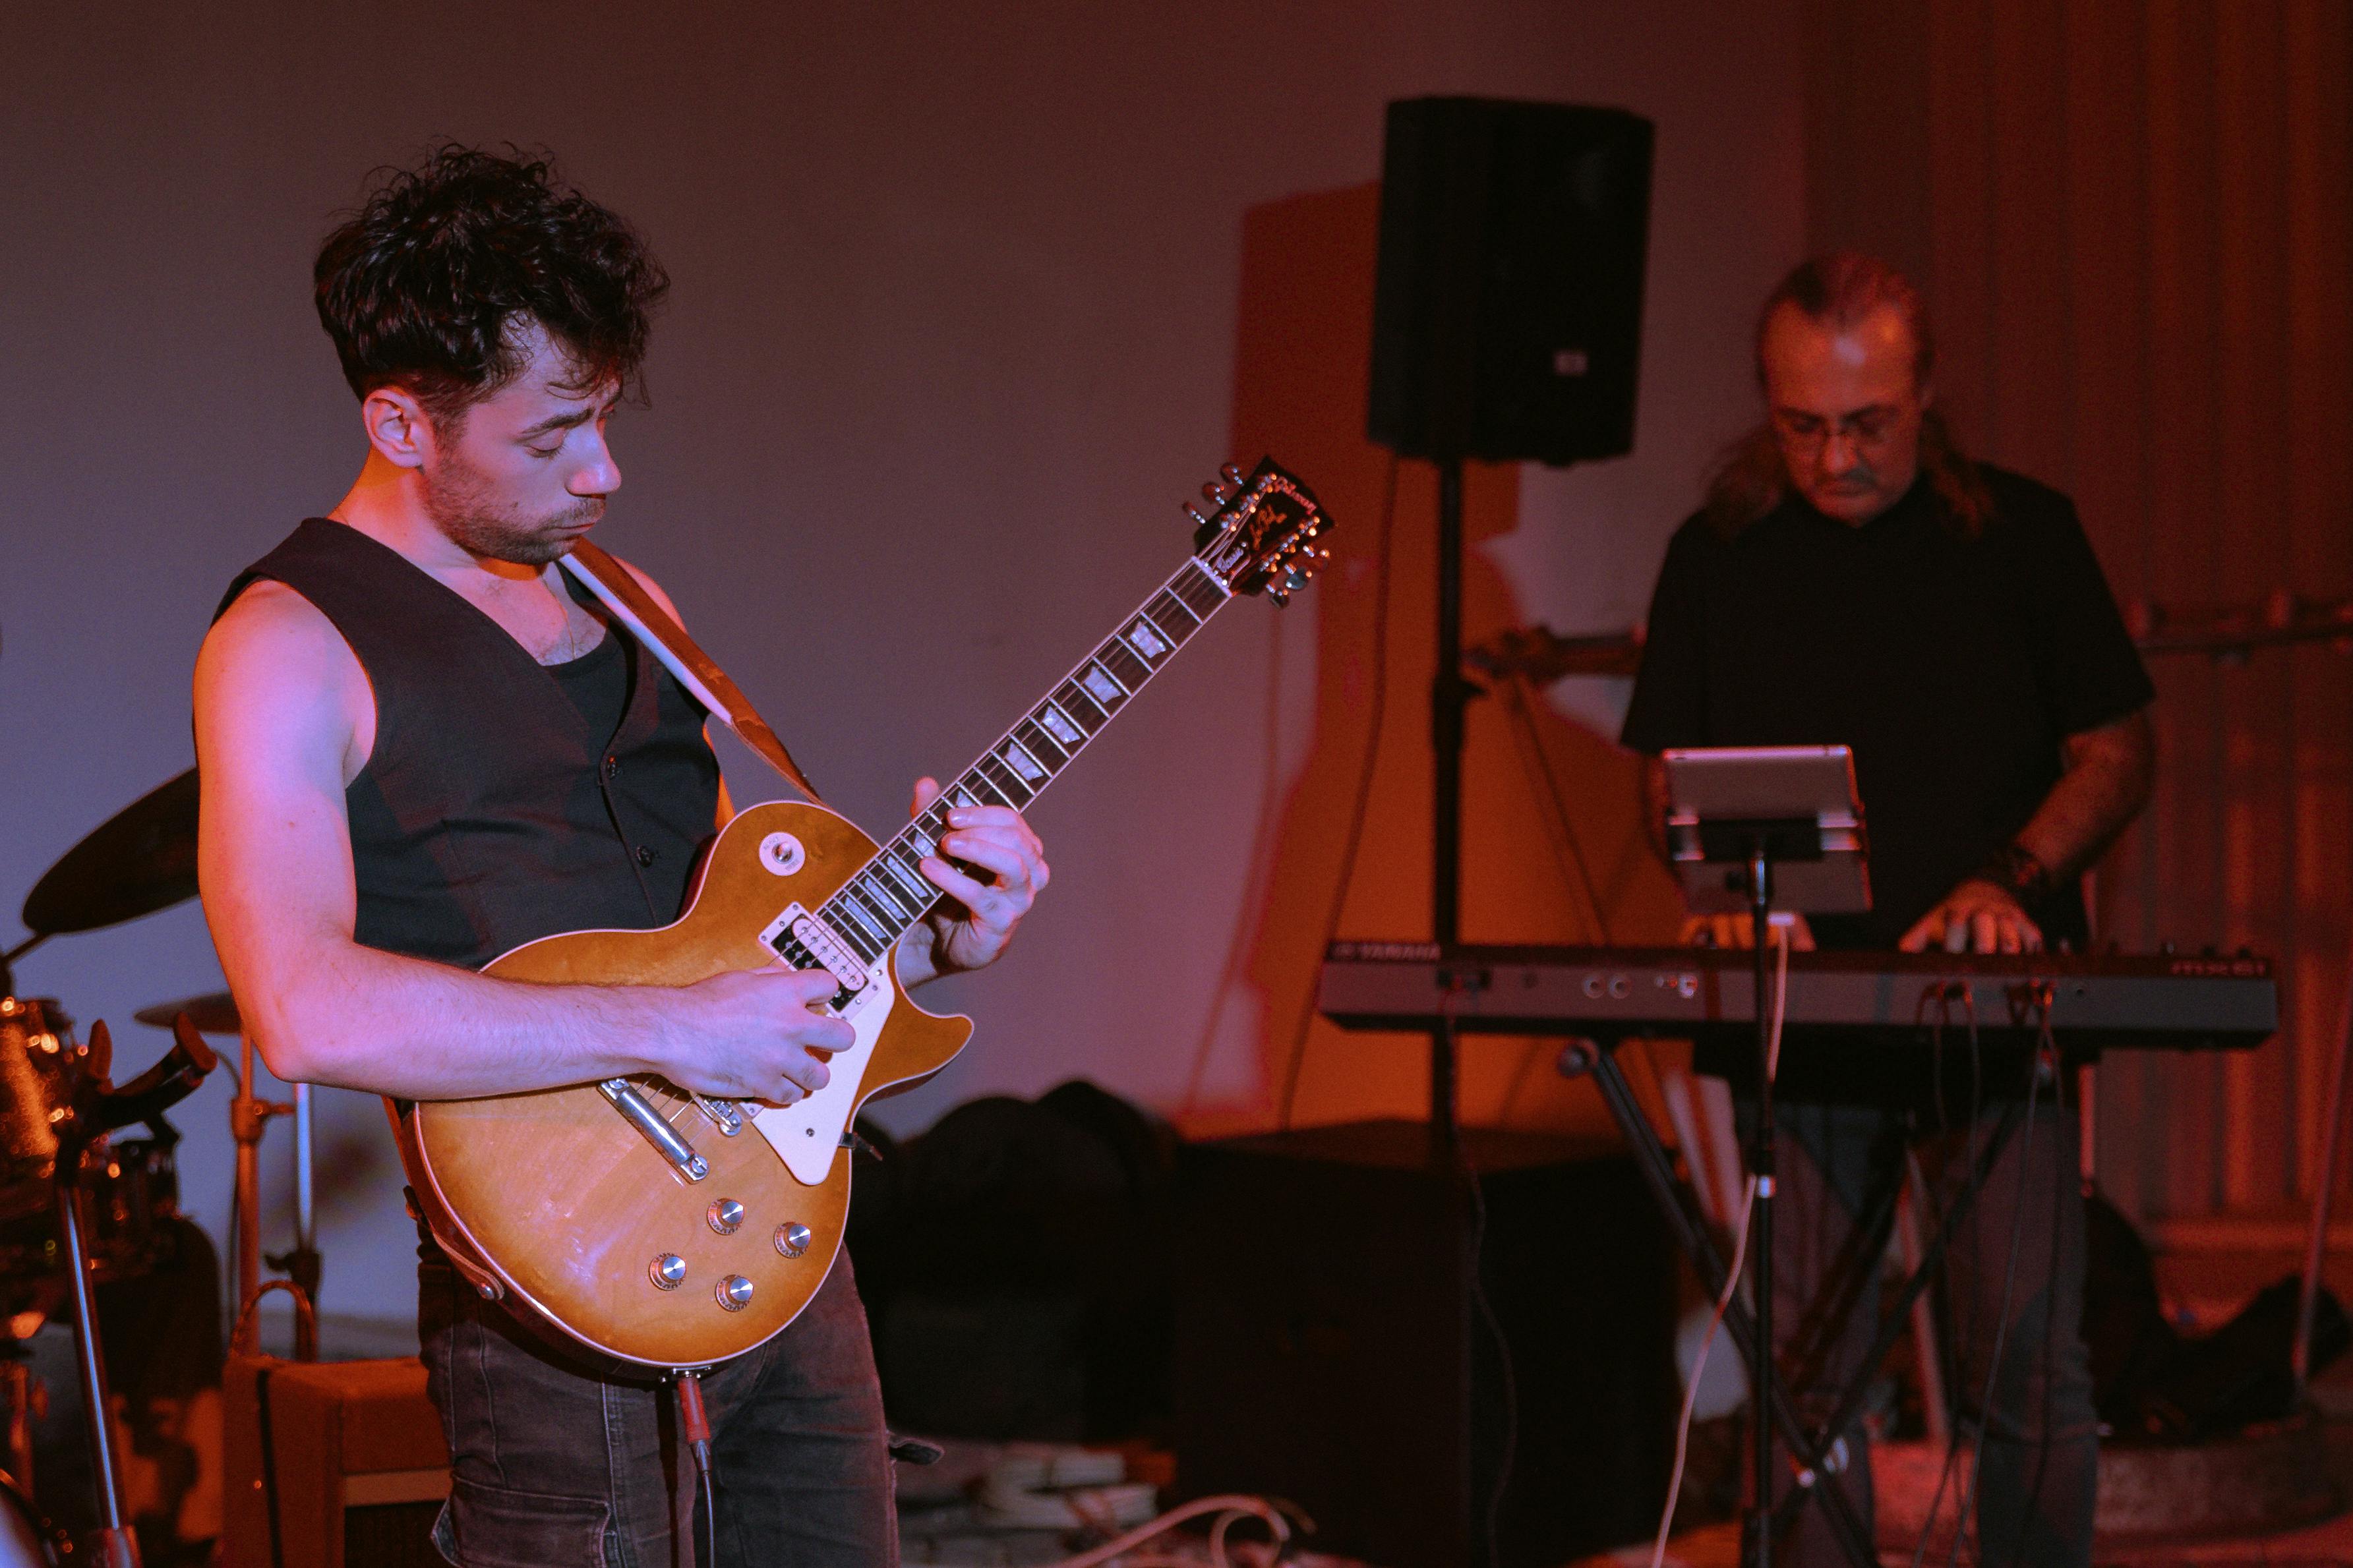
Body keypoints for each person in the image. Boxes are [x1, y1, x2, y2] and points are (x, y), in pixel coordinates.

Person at [193, 145, 1050, 1567]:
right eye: (551, 436)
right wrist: (678, 1028)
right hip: (554, 1278)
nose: (604, 469)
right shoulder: (287, 643)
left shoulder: (630, 598)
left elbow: (739, 946)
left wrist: (941, 938)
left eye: (602, 418)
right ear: (403, 422)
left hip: (784, 1238)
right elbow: (301, 1006)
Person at [1621, 252, 2155, 1567]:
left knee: (2024, 1360)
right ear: (1769, 401)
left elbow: (2117, 747)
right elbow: (1666, 776)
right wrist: (1726, 891)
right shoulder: (1718, 552)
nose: (1837, 454)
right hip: (1801, 1010)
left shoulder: (2024, 533)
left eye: (1868, 421)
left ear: (1929, 394)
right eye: (1804, 423)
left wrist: (2010, 880)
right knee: (1808, 1376)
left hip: (1991, 1004)